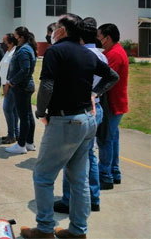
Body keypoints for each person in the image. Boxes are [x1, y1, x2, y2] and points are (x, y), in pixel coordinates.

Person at [20, 13, 119, 239]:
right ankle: (78, 231)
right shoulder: (88, 53)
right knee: (79, 179)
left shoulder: (55, 51)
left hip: (65, 121)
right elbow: (112, 77)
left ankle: (44, 229)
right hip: (86, 120)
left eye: (56, 26)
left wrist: (41, 111)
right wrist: (95, 94)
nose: (53, 30)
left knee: (43, 176)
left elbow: (47, 85)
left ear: (62, 30)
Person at [54, 17, 107, 214]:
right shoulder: (100, 55)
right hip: (96, 106)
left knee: (72, 157)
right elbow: (110, 78)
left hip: (80, 109)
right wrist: (96, 94)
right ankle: (93, 197)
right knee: (89, 156)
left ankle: (69, 200)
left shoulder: (81, 54)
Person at [97, 23, 129, 190]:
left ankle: (106, 176)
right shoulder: (113, 51)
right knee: (112, 139)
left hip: (112, 104)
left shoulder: (114, 54)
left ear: (107, 38)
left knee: (105, 140)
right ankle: (114, 172)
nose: (98, 40)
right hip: (115, 103)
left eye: (99, 37)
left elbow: (107, 79)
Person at [4, 27, 37, 154]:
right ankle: (29, 143)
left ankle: (21, 144)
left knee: (24, 117)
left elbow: (25, 70)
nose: (14, 39)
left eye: (15, 36)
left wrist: (11, 82)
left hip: (22, 87)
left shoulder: (24, 50)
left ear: (21, 37)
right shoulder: (27, 48)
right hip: (25, 86)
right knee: (28, 115)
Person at [0, 33, 19, 144]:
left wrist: (7, 84)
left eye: (5, 41)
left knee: (7, 109)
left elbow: (13, 70)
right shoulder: (8, 52)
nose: (3, 43)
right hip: (5, 84)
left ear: (10, 42)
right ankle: (15, 134)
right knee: (13, 111)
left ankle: (12, 135)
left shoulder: (15, 52)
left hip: (10, 85)